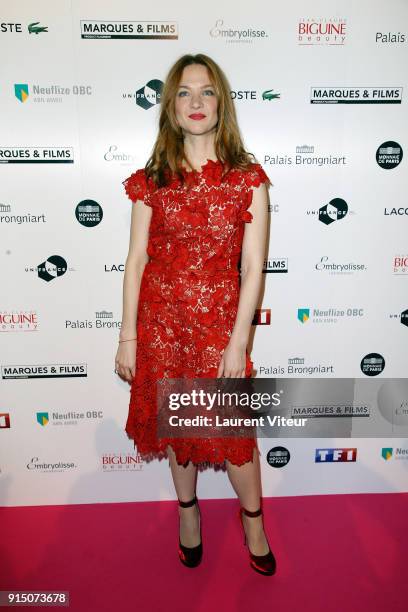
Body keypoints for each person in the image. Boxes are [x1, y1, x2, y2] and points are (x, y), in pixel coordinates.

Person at [115, 53, 276, 576]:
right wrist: (128, 339)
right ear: (171, 108)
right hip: (161, 327)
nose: (196, 101)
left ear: (220, 102)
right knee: (178, 431)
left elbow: (253, 268)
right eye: (184, 92)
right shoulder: (152, 179)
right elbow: (136, 261)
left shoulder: (247, 178)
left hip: (218, 328)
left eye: (206, 91)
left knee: (233, 439)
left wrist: (238, 343)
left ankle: (253, 519)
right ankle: (189, 514)